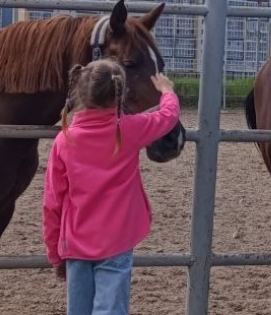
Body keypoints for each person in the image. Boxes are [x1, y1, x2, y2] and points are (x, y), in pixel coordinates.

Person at [42, 58, 180, 315]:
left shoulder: (64, 140)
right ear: (120, 95)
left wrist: (54, 253)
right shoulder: (129, 129)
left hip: (76, 243)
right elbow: (167, 117)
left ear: (80, 92)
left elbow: (52, 203)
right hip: (117, 240)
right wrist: (167, 91)